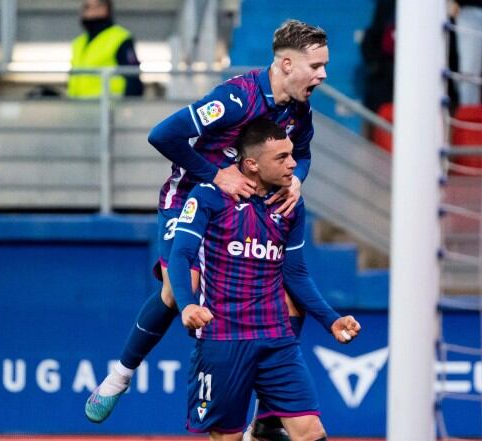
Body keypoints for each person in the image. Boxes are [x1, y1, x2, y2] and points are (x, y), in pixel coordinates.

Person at [85, 19, 330, 430]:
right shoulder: (235, 98)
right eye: (316, 65)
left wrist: (298, 181)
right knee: (175, 288)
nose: (323, 75)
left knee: (290, 298)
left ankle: (269, 417)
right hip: (192, 197)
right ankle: (120, 376)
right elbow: (164, 135)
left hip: (249, 203)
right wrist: (215, 175)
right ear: (287, 64)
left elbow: (302, 152)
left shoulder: (298, 109)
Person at [168, 117, 361, 439]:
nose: (294, 164)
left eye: (291, 154)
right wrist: (187, 306)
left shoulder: (290, 204)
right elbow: (181, 255)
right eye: (282, 157)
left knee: (310, 430)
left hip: (277, 338)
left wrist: (331, 320)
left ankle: (264, 424)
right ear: (252, 164)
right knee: (226, 436)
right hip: (223, 339)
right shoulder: (208, 197)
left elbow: (295, 272)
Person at [67, 0, 144, 98]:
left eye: (97, 6)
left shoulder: (120, 38)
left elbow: (132, 78)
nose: (92, 11)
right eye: (87, 7)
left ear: (107, 8)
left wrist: (128, 109)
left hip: (110, 107)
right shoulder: (78, 43)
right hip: (79, 107)